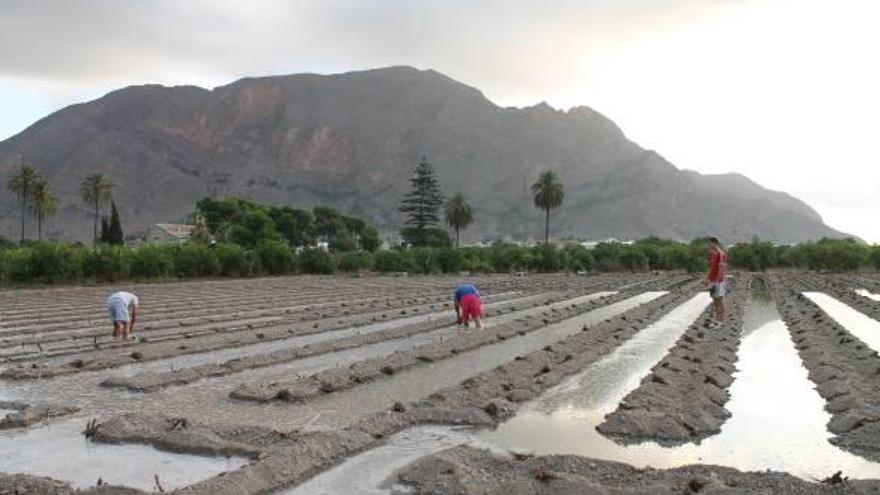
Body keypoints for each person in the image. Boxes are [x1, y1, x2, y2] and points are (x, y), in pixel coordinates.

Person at [705, 237, 727, 327]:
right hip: (717, 280)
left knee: (718, 300)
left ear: (714, 243)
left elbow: (717, 268)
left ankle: (720, 321)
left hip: (717, 280)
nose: (709, 245)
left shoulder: (718, 253)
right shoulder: (721, 253)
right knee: (716, 300)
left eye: (710, 243)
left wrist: (712, 280)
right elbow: (715, 267)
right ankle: (717, 319)